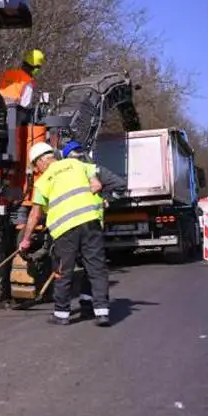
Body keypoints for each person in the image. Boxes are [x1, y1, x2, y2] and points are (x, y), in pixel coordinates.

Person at [19, 142, 111, 327]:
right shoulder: (76, 164)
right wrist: (94, 179)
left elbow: (35, 214)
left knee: (62, 271)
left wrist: (26, 239)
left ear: (42, 161)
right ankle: (102, 313)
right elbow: (93, 171)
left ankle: (61, 314)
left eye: (36, 166)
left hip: (65, 230)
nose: (37, 170)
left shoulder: (43, 181)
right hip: (90, 223)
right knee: (96, 267)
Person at [60, 140, 127, 319]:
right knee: (94, 267)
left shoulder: (61, 175)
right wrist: (106, 199)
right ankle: (93, 306)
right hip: (92, 226)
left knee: (69, 269)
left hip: (67, 229)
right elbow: (120, 186)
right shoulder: (94, 170)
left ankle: (68, 310)